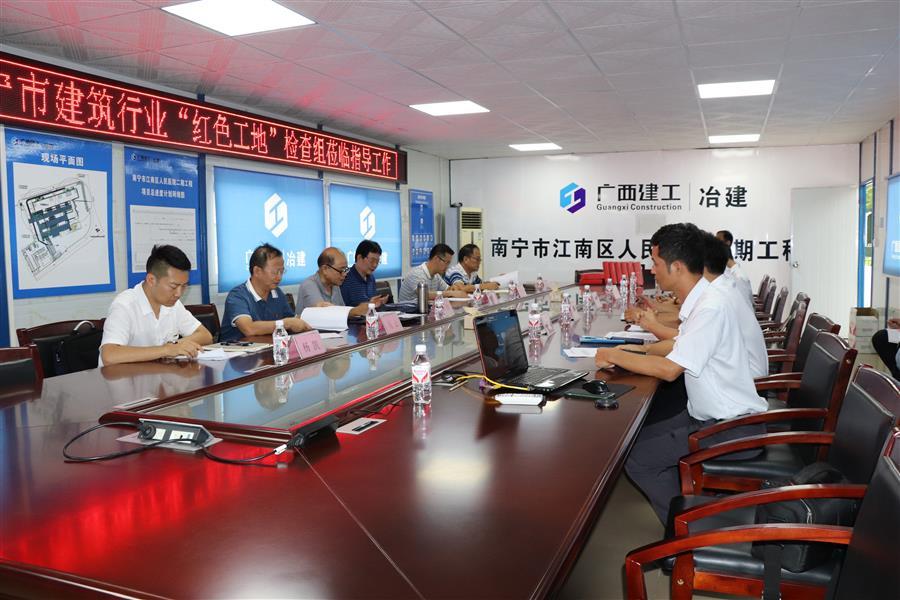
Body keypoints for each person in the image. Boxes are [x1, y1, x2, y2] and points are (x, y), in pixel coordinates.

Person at [594, 223, 767, 523]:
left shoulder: (710, 307)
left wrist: (614, 354)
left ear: (676, 267)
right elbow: (678, 346)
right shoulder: (703, 300)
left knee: (637, 458)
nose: (651, 269)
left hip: (729, 428)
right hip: (710, 416)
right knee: (635, 437)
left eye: (655, 262)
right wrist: (636, 351)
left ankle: (689, 530)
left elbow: (670, 369)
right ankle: (688, 514)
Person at [100, 245, 213, 366]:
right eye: (173, 286)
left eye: (184, 286)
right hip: (124, 376)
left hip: (158, 373)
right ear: (151, 280)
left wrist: (175, 346)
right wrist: (167, 349)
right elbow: (109, 355)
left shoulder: (173, 304)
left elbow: (205, 336)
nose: (179, 293)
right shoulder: (124, 305)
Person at [219, 243, 309, 343]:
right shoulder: (237, 296)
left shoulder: (277, 293)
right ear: (257, 271)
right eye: (275, 272)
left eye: (282, 272)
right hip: (237, 351)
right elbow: (249, 329)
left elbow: (291, 321)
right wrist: (286, 323)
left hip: (270, 348)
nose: (279, 277)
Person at [296, 247, 386, 316]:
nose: (345, 274)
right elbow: (324, 313)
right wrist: (356, 310)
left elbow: (342, 312)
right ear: (325, 269)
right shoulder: (309, 285)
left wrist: (366, 305)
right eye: (341, 270)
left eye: (346, 269)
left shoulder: (335, 285)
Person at [398, 243, 467, 302]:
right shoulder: (417, 273)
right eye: (447, 263)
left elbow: (447, 289)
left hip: (424, 311)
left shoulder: (436, 276)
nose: (447, 266)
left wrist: (453, 289)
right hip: (408, 312)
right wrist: (450, 293)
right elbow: (425, 294)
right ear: (436, 259)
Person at [340, 240, 387, 307]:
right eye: (372, 261)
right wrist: (369, 304)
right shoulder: (344, 278)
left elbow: (371, 304)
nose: (375, 265)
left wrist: (377, 303)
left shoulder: (371, 278)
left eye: (377, 262)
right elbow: (342, 307)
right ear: (359, 258)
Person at [716, 229, 753, 305]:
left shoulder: (739, 276)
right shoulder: (721, 269)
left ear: (727, 243)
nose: (715, 244)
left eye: (718, 240)